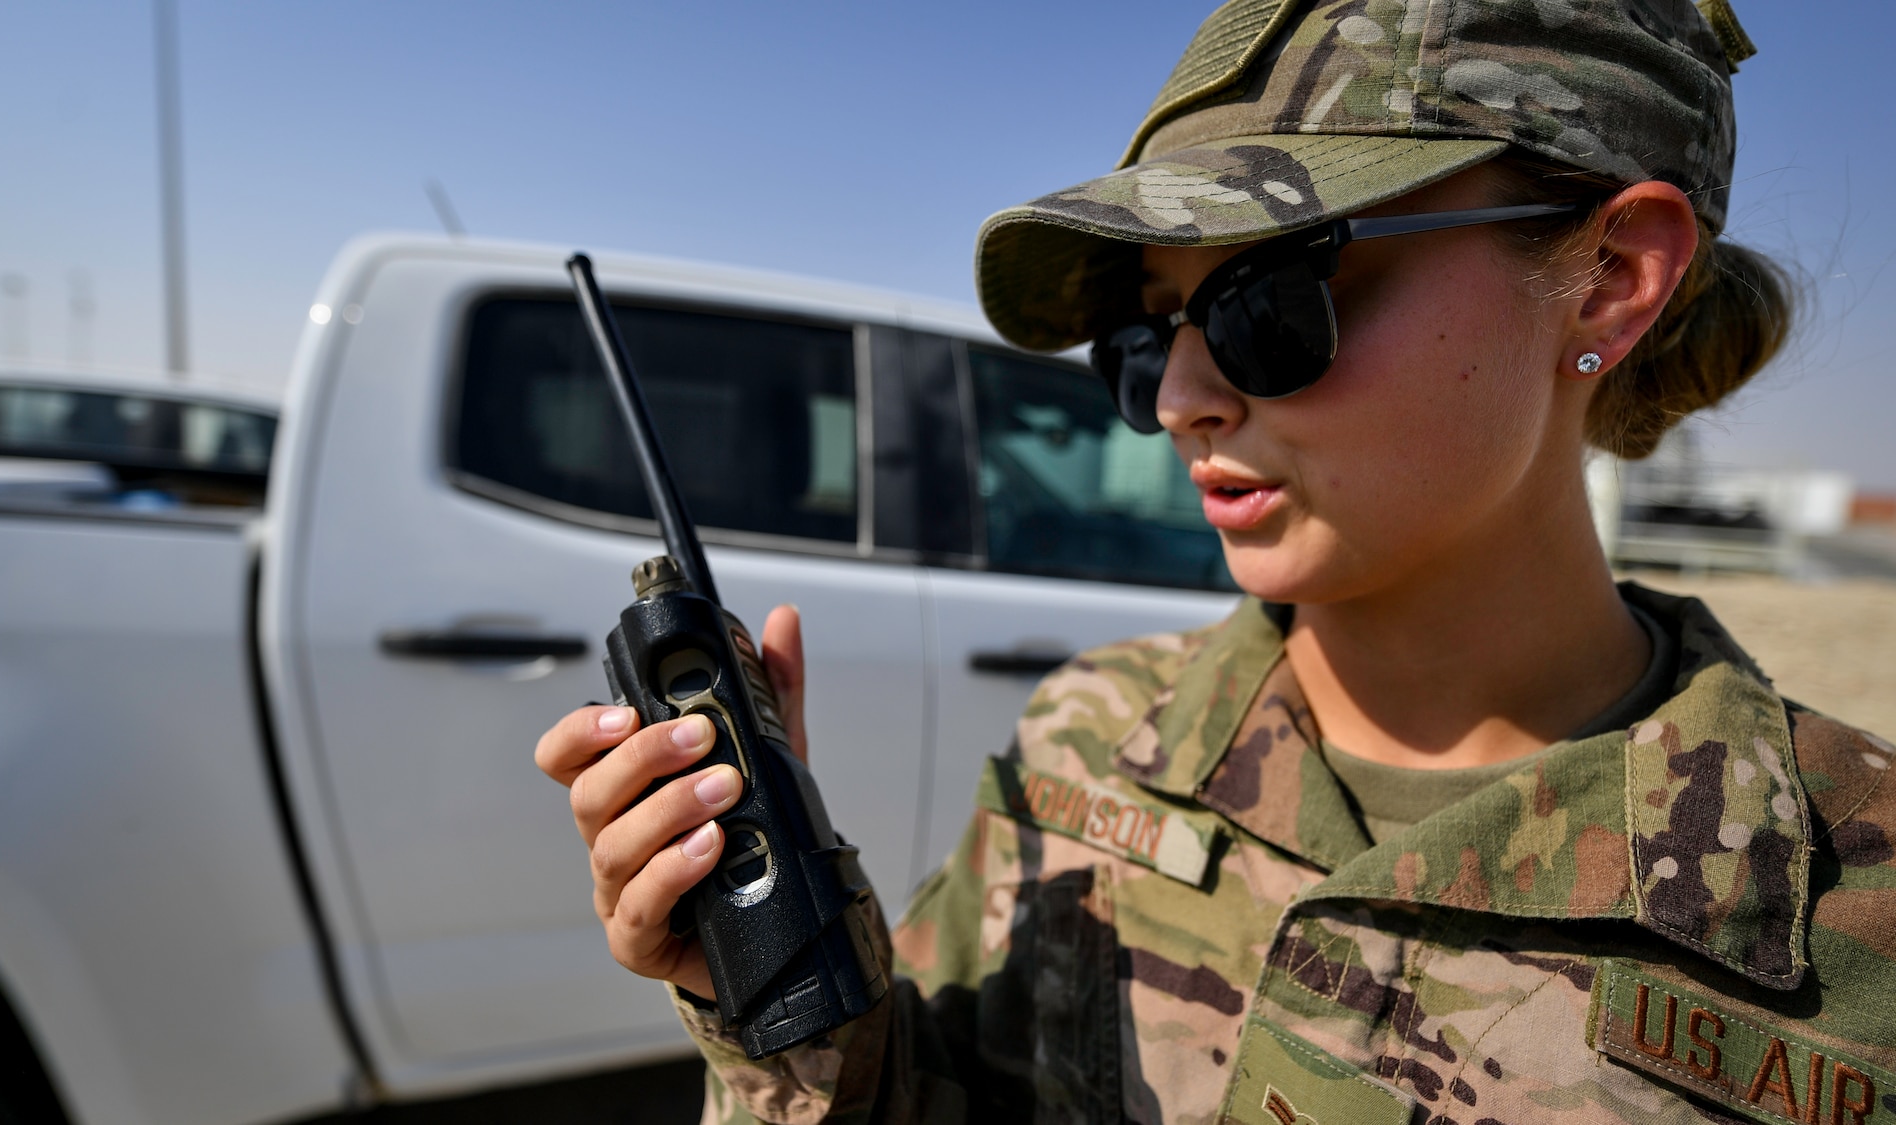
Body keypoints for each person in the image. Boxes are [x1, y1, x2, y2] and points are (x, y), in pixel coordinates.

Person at [536, 1, 1896, 1121]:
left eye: (1269, 300)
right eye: (1150, 334)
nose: (1182, 394)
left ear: (1610, 274)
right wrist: (774, 997)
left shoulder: (1855, 922)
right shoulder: (1091, 741)